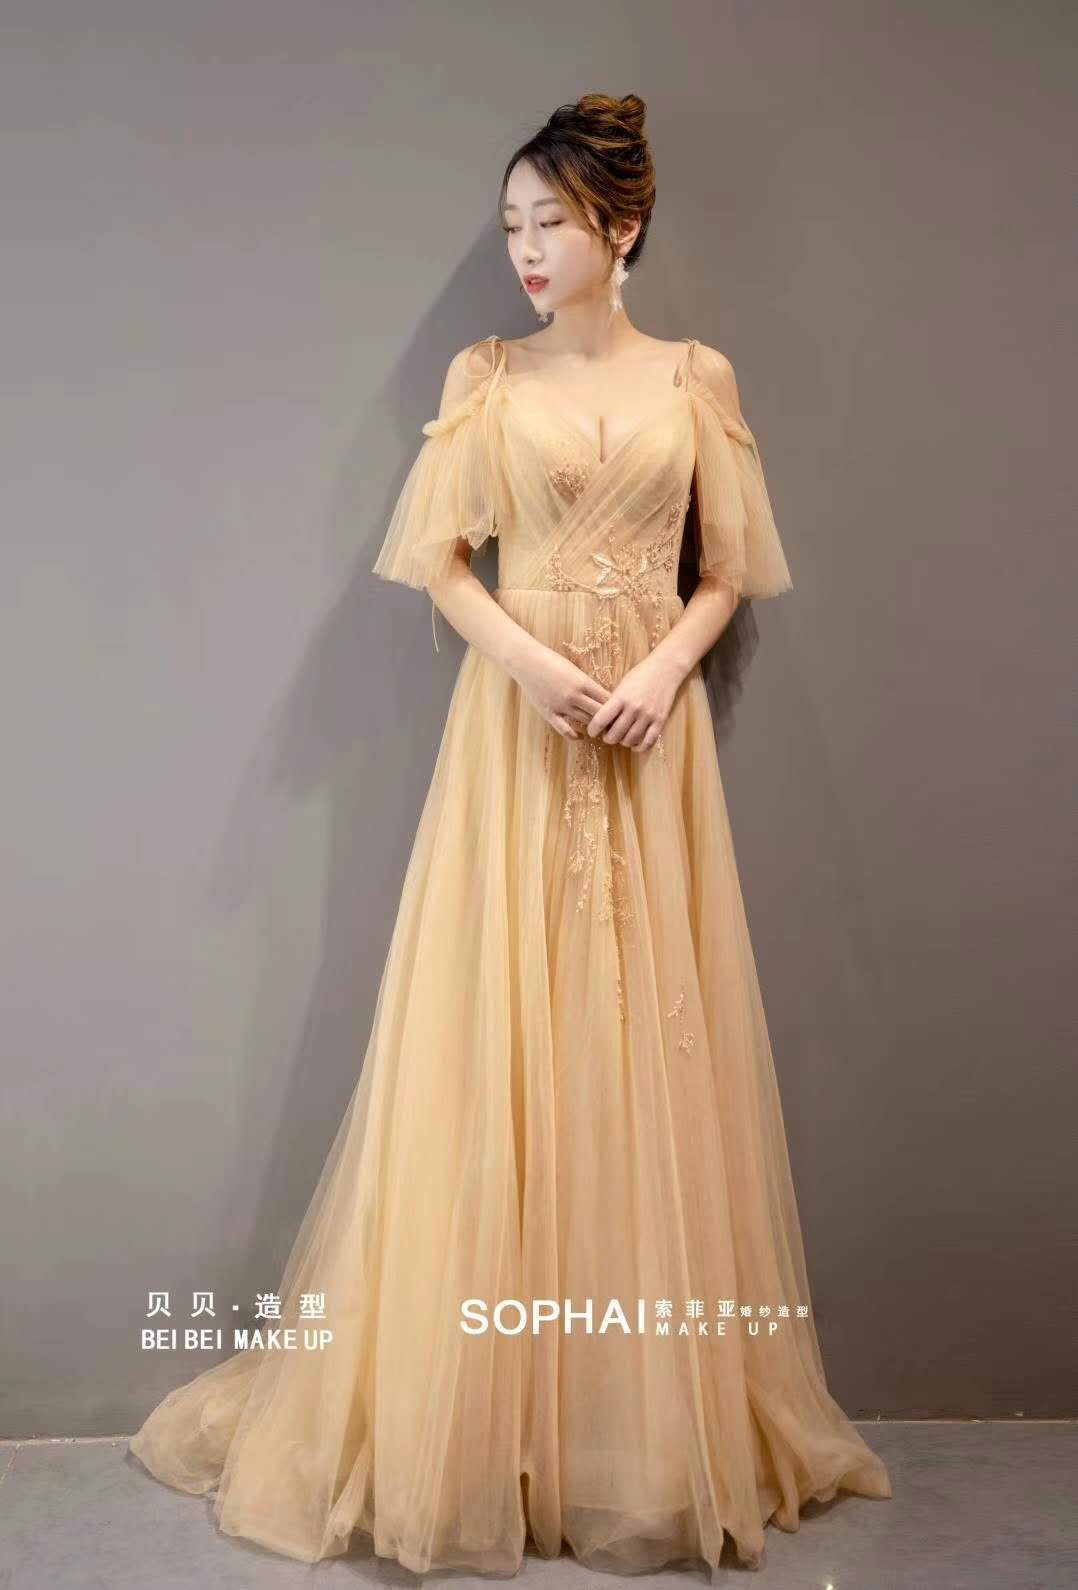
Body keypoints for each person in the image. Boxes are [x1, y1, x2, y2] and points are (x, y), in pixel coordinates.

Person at [128, 91, 892, 1575]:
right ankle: (483, 1422)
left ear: (623, 225)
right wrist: (538, 667)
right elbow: (442, 564)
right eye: (511, 226)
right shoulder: (485, 375)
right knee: (499, 1034)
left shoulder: (696, 377)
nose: (527, 249)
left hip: (650, 739)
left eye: (552, 221)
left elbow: (727, 570)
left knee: (644, 1044)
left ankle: (629, 1428)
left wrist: (665, 672)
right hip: (521, 729)